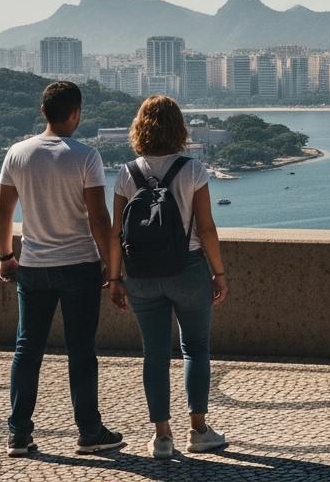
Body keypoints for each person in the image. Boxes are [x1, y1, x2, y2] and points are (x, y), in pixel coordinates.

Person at [0, 81, 125, 457]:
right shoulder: (85, 156)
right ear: (75, 113)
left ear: (43, 112)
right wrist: (110, 266)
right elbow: (99, 219)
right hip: (80, 266)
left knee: (27, 349)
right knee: (81, 351)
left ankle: (18, 433)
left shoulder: (17, 153)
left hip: (33, 266)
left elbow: (4, 213)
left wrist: (6, 256)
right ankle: (89, 431)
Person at [106, 95, 230, 459]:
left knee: (154, 355)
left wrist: (115, 278)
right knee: (196, 348)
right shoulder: (192, 170)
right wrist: (218, 272)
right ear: (179, 129)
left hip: (141, 274)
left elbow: (116, 233)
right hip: (188, 268)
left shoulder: (126, 173)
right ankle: (199, 430)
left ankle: (162, 437)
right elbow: (206, 228)